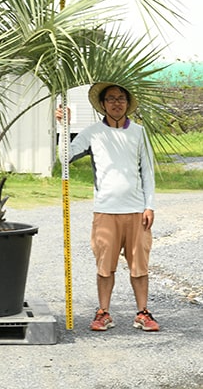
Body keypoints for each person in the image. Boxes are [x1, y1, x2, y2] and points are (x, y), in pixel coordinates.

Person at [56, 82, 160, 332]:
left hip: (136, 211)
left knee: (140, 267)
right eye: (111, 98)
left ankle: (142, 313)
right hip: (105, 211)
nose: (117, 102)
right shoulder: (92, 133)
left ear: (127, 103)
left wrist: (149, 206)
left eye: (121, 98)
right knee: (105, 266)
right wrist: (64, 126)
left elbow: (147, 171)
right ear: (102, 104)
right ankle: (104, 312)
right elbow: (65, 158)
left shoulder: (138, 132)